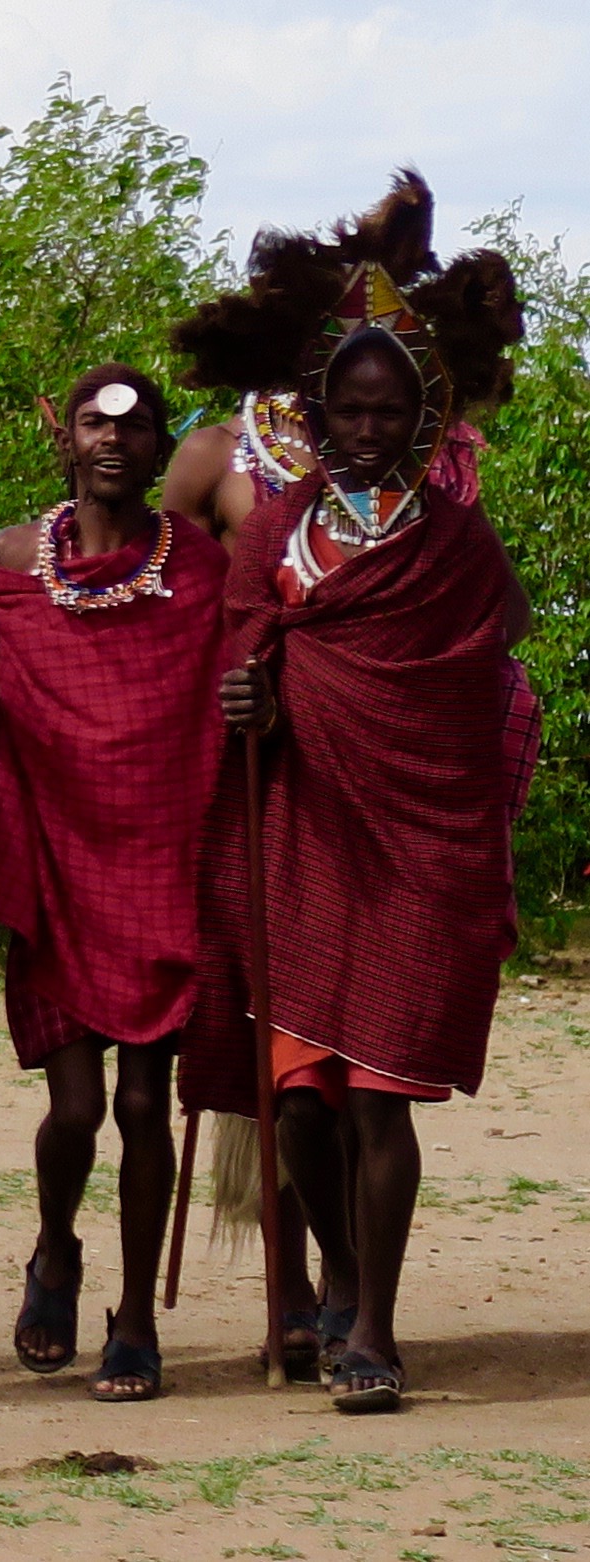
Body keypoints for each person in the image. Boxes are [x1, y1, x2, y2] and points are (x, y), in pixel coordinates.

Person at [171, 173, 535, 1414]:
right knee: (303, 1109)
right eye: (350, 409)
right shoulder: (274, 529)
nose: (370, 429)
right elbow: (237, 638)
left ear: (423, 414)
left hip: (416, 846)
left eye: (391, 411)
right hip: (298, 838)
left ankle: (370, 1326)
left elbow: (481, 659)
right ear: (320, 415)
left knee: (380, 1097)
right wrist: (246, 694)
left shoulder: (455, 543)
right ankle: (330, 1270)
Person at [0, 366, 219, 1404]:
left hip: (158, 852)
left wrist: (253, 696)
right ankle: (55, 1246)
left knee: (145, 1100)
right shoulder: (14, 559)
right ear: (65, 440)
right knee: (74, 1106)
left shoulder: (193, 564)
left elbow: (237, 666)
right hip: (57, 850)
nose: (112, 440)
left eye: (135, 425)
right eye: (94, 425)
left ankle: (136, 1316)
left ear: (157, 448)